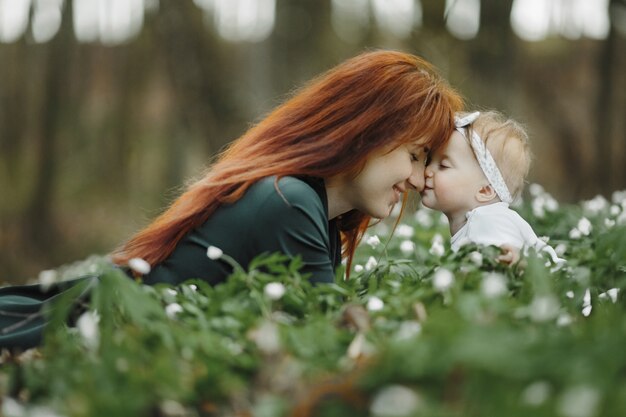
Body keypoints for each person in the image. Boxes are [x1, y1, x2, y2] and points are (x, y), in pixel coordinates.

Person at [1, 50, 463, 349]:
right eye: (416, 154)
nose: (422, 178)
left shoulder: (318, 216)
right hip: (56, 338)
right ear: (367, 130)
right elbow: (335, 343)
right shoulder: (289, 201)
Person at [420, 111, 564, 265]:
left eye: (443, 166)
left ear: (485, 191)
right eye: (429, 161)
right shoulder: (482, 218)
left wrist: (515, 261)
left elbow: (508, 255)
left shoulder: (487, 220)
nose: (427, 171)